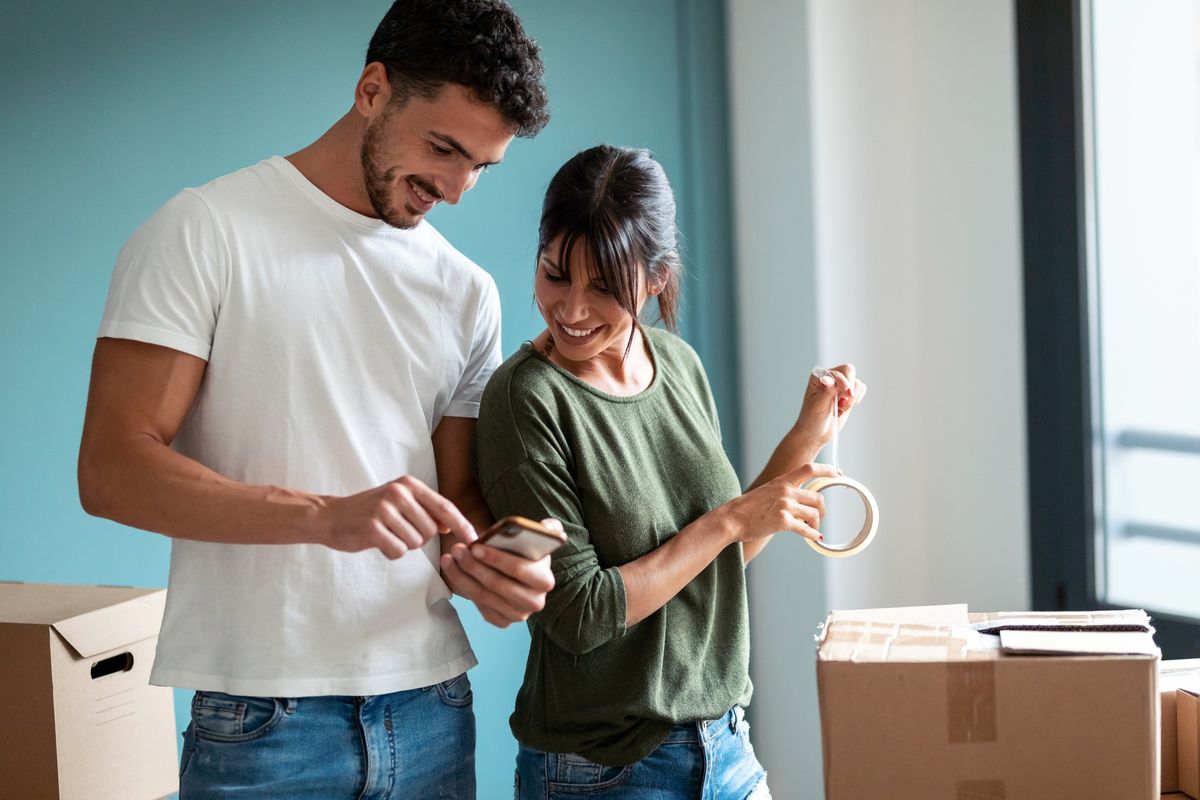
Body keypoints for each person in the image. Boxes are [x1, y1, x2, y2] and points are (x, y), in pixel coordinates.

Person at [77, 2, 555, 797]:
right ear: (373, 90)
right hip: (266, 722)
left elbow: (454, 500)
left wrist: (497, 570)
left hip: (433, 708)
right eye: (443, 147)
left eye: (480, 165)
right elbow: (111, 470)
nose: (457, 188)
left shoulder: (466, 291)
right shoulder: (206, 231)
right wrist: (324, 516)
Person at [474, 145, 867, 799]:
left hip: (727, 748)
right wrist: (730, 517)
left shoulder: (678, 366)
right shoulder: (524, 401)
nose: (570, 308)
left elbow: (714, 562)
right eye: (553, 274)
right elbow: (579, 613)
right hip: (603, 772)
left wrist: (807, 437)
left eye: (603, 286)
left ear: (656, 278)